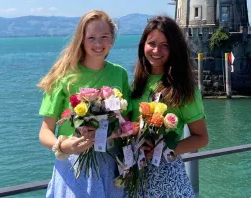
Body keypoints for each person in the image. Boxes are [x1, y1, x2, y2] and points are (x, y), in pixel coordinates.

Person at [37, 10, 131, 198]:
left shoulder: (119, 74)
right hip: (73, 168)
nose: (98, 44)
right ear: (81, 39)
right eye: (91, 38)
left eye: (104, 37)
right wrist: (64, 146)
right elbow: (45, 132)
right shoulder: (63, 76)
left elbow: (126, 121)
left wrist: (115, 132)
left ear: (112, 39)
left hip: (109, 165)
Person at [131, 15, 209, 198]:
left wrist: (168, 149)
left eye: (165, 45)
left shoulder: (183, 90)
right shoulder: (137, 84)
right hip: (134, 174)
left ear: (175, 48)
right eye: (151, 43)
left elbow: (202, 138)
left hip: (167, 177)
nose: (157, 50)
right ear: (143, 45)